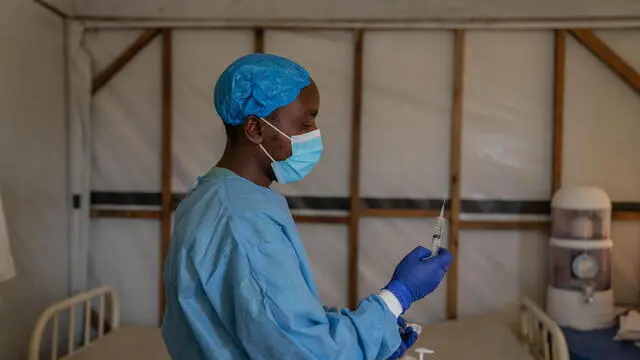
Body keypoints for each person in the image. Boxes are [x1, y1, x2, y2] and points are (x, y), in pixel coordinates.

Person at [161, 53, 453, 360]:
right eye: (304, 123)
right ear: (255, 129)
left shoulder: (212, 198)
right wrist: (397, 296)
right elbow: (301, 348)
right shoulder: (240, 218)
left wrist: (374, 335)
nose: (314, 134)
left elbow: (280, 318)